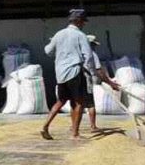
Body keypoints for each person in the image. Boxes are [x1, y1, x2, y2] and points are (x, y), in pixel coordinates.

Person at [41, 9, 96, 140]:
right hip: (75, 72)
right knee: (79, 103)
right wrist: (91, 72)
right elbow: (88, 56)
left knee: (60, 101)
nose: (83, 24)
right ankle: (75, 134)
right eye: (83, 22)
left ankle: (45, 126)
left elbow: (48, 51)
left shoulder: (59, 34)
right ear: (78, 21)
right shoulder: (80, 36)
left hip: (60, 74)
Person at [84, 34, 121, 131]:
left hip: (76, 79)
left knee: (76, 103)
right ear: (90, 44)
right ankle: (93, 126)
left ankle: (74, 127)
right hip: (86, 80)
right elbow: (99, 71)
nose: (95, 47)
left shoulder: (79, 53)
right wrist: (111, 83)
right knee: (90, 104)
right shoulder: (92, 54)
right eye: (94, 45)